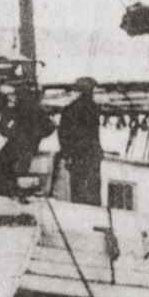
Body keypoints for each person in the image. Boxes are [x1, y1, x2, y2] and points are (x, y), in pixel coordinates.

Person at [0, 83, 53, 197]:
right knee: (13, 164)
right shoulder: (38, 111)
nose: (13, 98)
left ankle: (9, 190)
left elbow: (2, 128)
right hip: (27, 147)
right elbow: (49, 128)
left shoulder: (16, 111)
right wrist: (37, 136)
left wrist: (12, 133)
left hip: (18, 146)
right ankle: (14, 190)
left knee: (7, 162)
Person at [55, 77, 104, 205]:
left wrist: (67, 155)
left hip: (78, 154)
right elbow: (94, 134)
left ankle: (79, 212)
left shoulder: (69, 109)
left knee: (77, 187)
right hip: (89, 153)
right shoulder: (94, 108)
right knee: (93, 187)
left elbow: (62, 134)